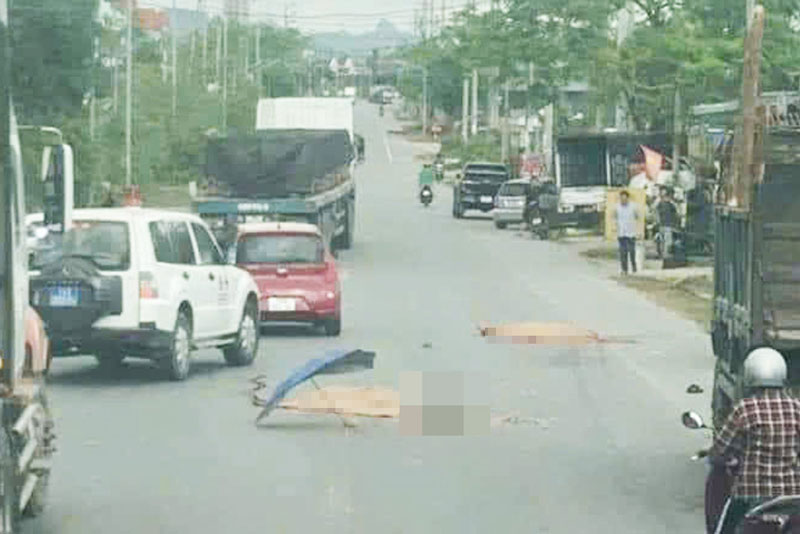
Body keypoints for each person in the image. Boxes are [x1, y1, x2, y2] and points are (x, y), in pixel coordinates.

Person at [711, 347, 800, 534]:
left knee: (725, 528)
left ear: (750, 376)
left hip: (753, 497)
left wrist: (721, 457)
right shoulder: (796, 408)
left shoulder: (745, 409)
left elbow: (720, 450)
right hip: (793, 496)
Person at [614, 190, 639, 274]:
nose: (623, 200)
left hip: (631, 232)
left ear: (628, 198)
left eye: (624, 198)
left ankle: (634, 268)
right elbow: (615, 217)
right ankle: (624, 269)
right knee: (623, 253)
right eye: (621, 198)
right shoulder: (617, 207)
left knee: (632, 252)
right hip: (621, 233)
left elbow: (637, 217)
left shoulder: (633, 207)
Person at [656, 186, 680, 257]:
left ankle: (665, 255)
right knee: (665, 241)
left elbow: (677, 214)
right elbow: (677, 214)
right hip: (665, 225)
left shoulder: (667, 203)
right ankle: (665, 255)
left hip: (666, 225)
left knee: (665, 241)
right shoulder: (664, 203)